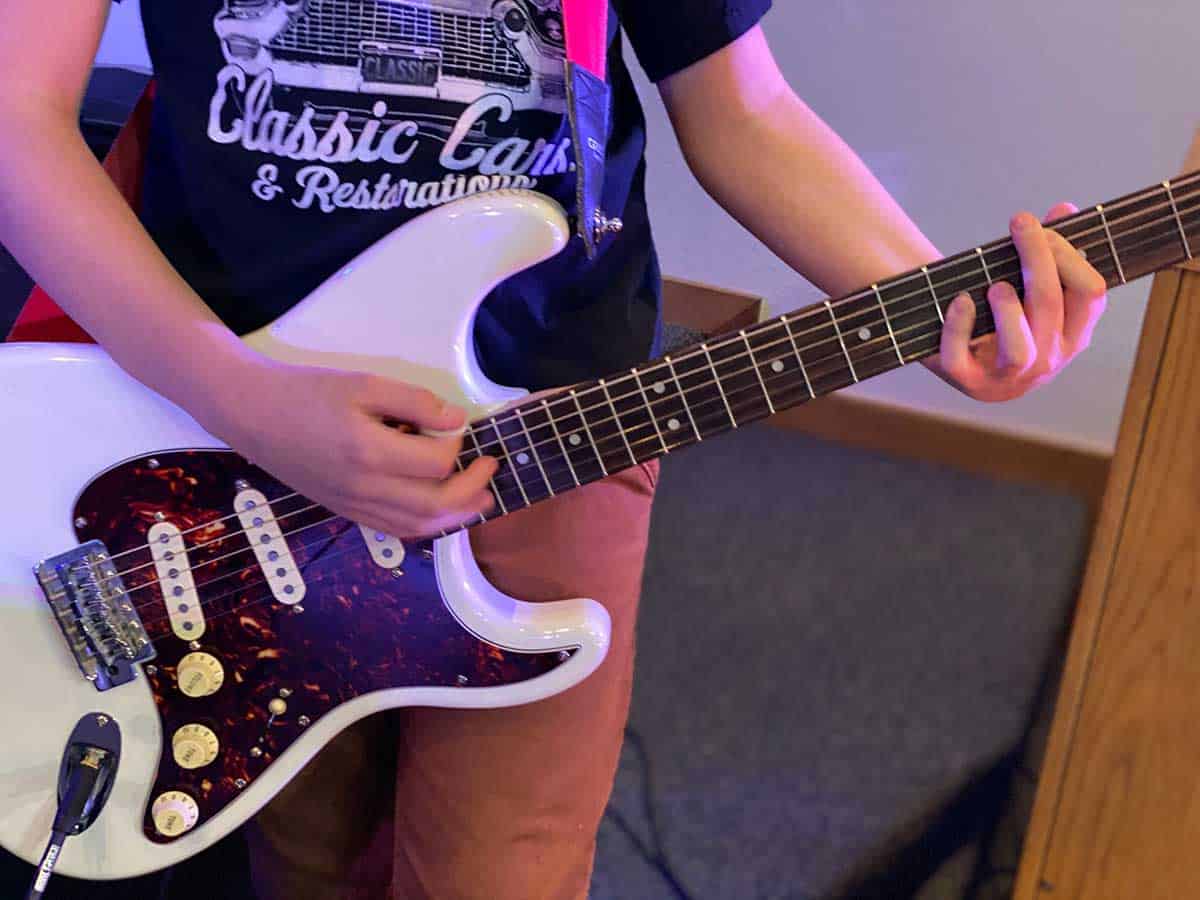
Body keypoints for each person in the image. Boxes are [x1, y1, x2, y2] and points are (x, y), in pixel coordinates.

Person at [0, 2, 1108, 898]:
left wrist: (935, 306)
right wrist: (243, 399)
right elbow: (16, 113)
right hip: (226, 432)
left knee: (504, 861)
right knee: (301, 835)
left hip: (555, 422)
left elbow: (741, 106)